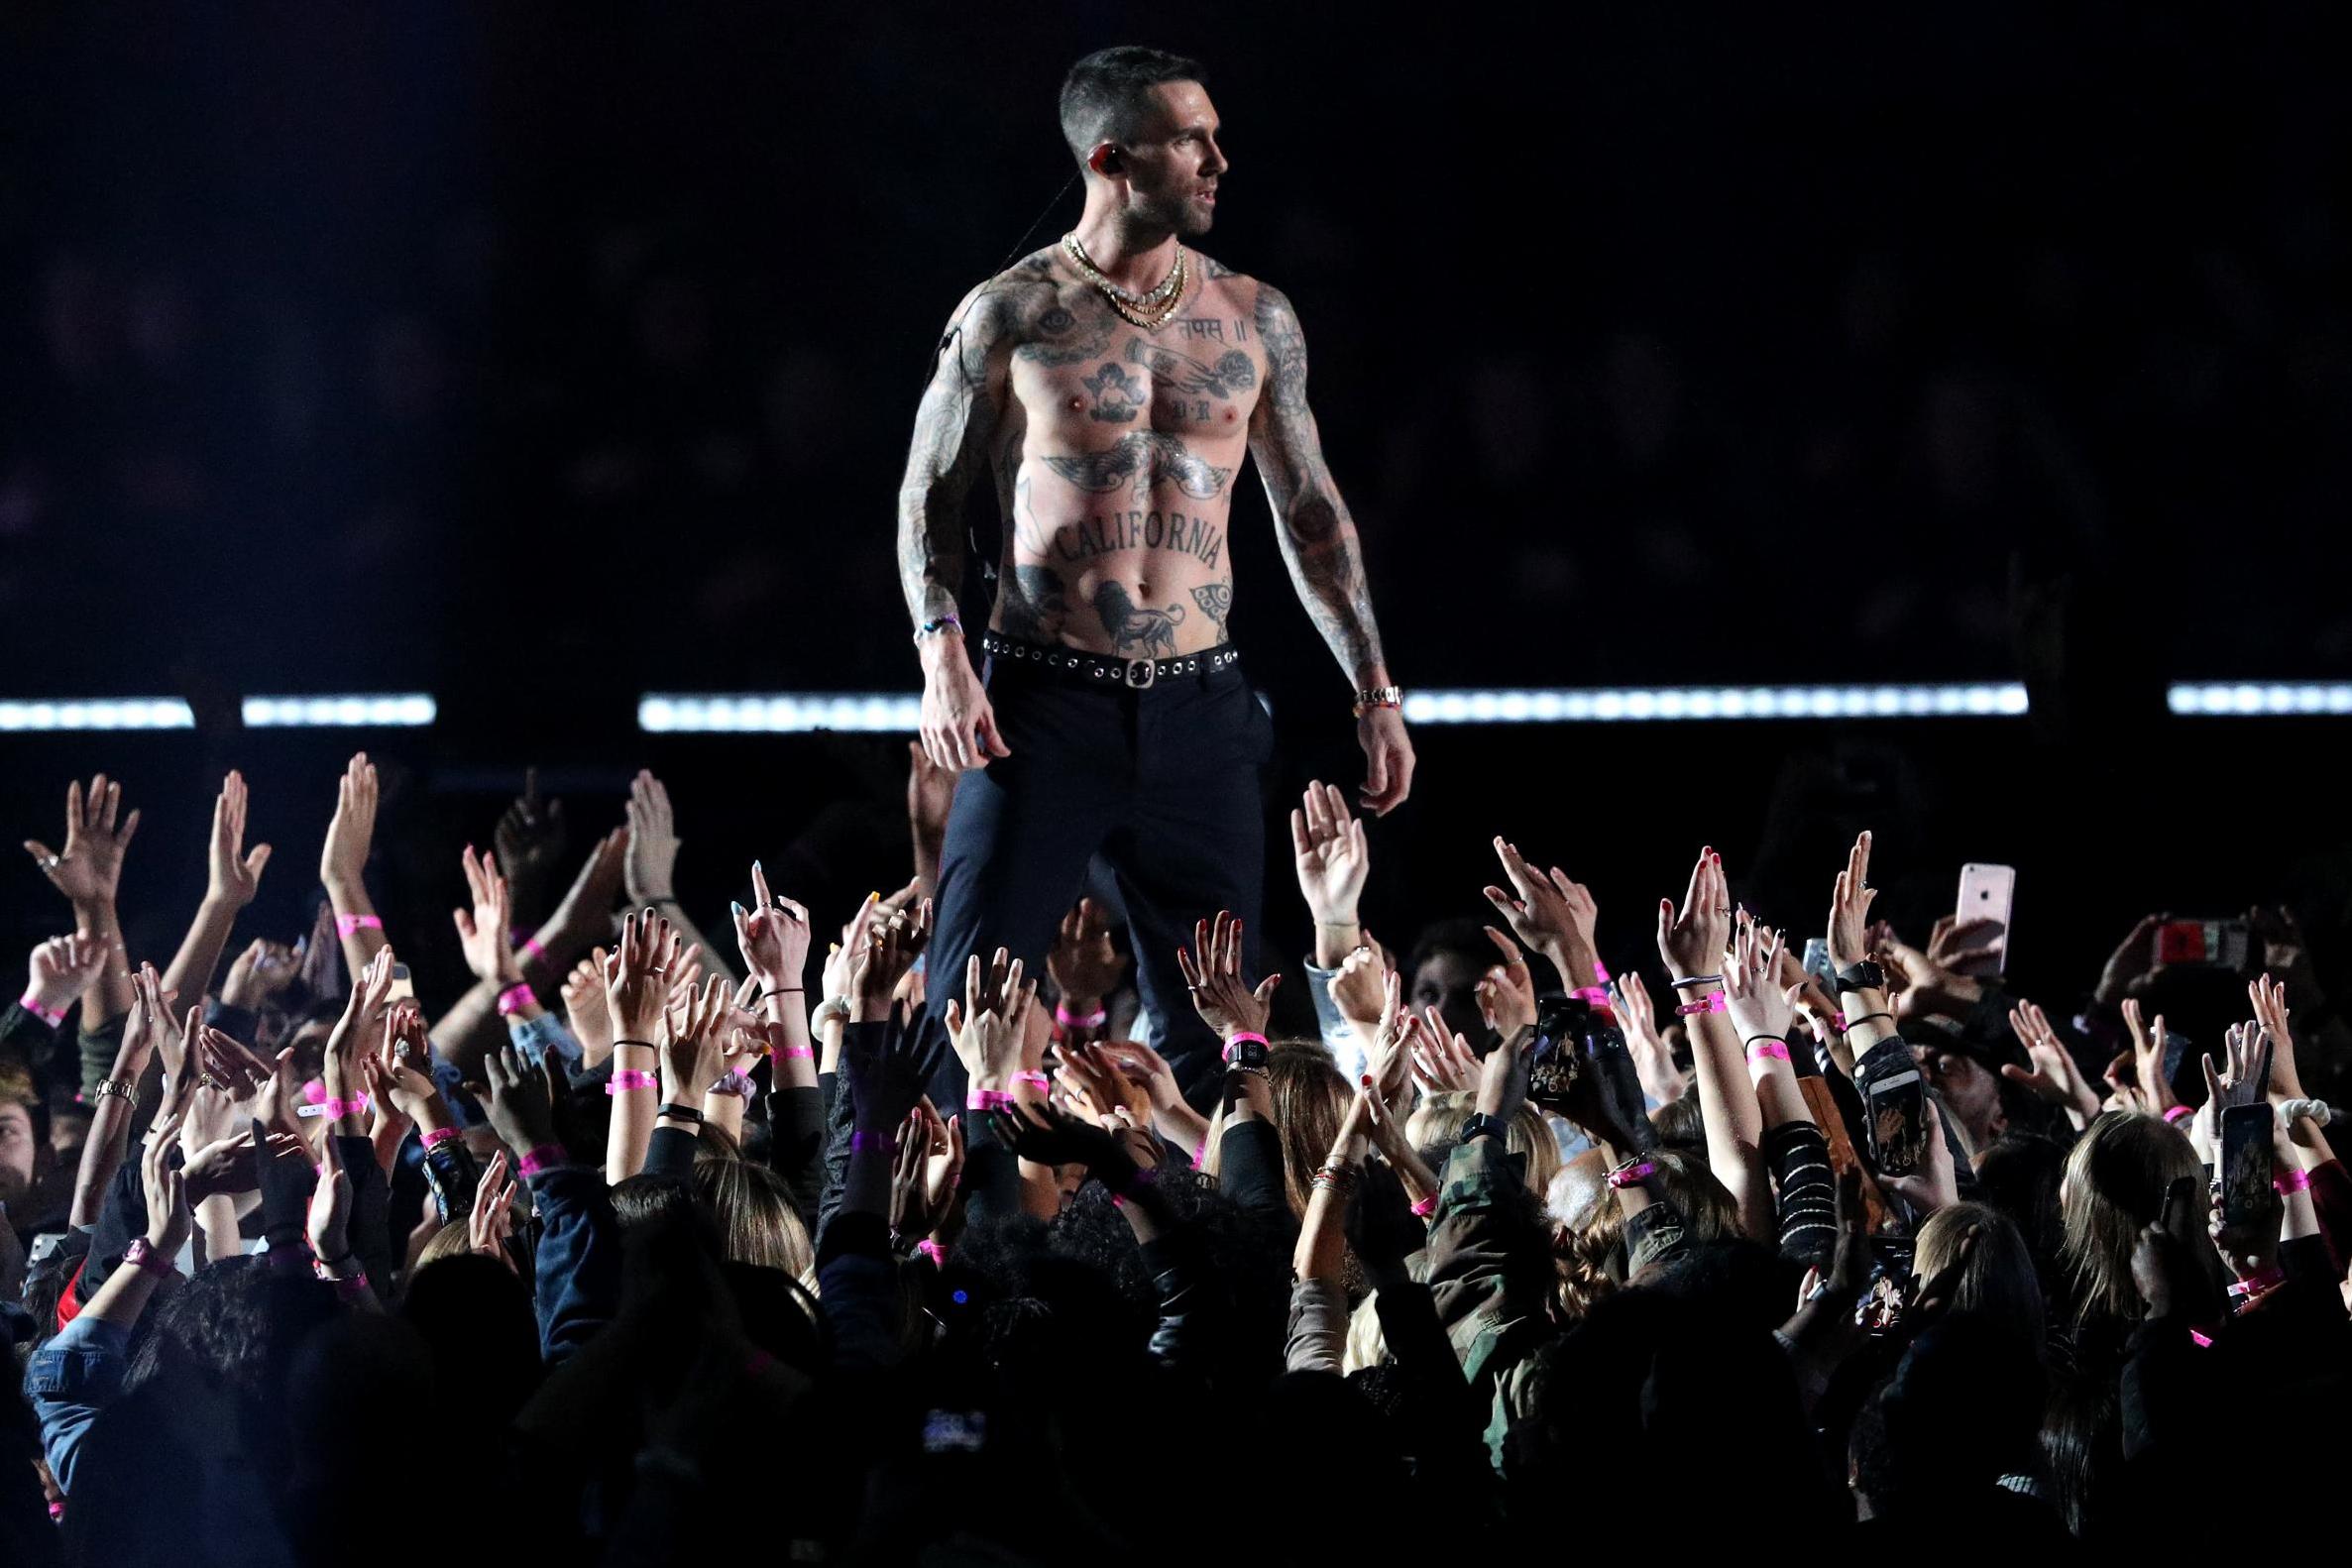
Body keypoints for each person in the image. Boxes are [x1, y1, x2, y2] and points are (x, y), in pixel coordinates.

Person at [897, 45, 1415, 1106]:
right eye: (1192, 140)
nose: (1221, 159)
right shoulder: (1009, 314)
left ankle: (1217, 1248)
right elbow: (928, 501)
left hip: (1201, 707)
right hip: (1040, 705)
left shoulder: (1253, 316)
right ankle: (960, 1254)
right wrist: (942, 656)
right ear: (1113, 159)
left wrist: (1373, 691)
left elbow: (1311, 514)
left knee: (1223, 1023)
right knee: (973, 1009)